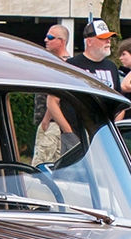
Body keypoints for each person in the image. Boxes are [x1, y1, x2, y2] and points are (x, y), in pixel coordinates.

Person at [34, 24, 75, 165]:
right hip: (52, 124)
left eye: (50, 37)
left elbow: (57, 96)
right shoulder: (55, 62)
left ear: (62, 41)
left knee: (41, 166)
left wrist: (46, 120)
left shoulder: (64, 64)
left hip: (53, 124)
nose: (46, 40)